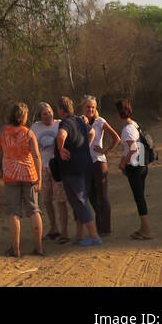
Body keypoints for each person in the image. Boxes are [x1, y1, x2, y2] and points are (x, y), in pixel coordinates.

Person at [0, 101, 44, 258]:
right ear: (23, 116)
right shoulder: (29, 133)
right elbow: (36, 155)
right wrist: (40, 177)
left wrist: (0, 166)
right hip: (28, 174)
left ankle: (15, 249)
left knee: (14, 212)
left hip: (10, 175)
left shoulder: (2, 133)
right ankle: (39, 247)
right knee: (33, 210)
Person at [55, 95, 101, 246]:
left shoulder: (66, 123)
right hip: (85, 166)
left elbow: (62, 135)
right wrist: (85, 147)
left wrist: (61, 149)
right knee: (77, 201)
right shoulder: (79, 121)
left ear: (61, 110)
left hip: (72, 169)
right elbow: (92, 133)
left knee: (80, 201)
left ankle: (94, 236)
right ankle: (80, 236)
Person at [82, 95, 120, 237]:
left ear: (95, 109)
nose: (90, 109)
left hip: (99, 162)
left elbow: (116, 138)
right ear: (83, 107)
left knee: (102, 196)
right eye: (88, 106)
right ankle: (99, 225)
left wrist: (106, 150)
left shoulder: (100, 122)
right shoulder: (80, 121)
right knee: (91, 196)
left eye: (93, 107)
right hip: (86, 163)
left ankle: (106, 228)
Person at [32, 101, 69, 242]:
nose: (48, 116)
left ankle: (64, 231)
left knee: (60, 200)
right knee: (46, 200)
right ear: (40, 116)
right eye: (45, 114)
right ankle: (53, 228)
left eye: (50, 113)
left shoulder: (61, 124)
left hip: (57, 167)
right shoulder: (35, 127)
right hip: (42, 168)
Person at [116, 98, 151, 239]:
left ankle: (146, 230)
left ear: (119, 113)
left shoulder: (127, 129)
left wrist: (123, 162)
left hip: (135, 166)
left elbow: (133, 148)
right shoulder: (134, 124)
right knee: (140, 197)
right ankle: (143, 228)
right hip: (142, 164)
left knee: (139, 198)